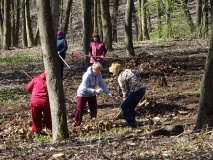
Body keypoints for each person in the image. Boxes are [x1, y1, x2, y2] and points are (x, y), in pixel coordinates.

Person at [109, 63, 146, 128]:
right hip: (142, 89)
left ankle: (130, 123)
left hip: (136, 91)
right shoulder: (127, 70)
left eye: (113, 72)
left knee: (124, 106)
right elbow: (137, 73)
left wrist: (124, 100)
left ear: (116, 71)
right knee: (131, 107)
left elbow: (125, 91)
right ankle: (134, 123)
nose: (113, 74)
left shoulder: (120, 78)